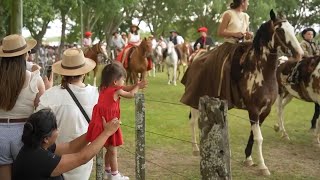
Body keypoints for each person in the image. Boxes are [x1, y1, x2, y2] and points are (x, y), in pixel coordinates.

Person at [36, 48, 97, 180]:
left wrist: (47, 90)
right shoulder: (96, 94)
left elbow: (38, 123)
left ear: (63, 73)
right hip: (84, 158)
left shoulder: (51, 95)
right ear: (84, 72)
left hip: (56, 158)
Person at [180, 0, 252, 109]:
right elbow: (220, 32)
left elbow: (246, 34)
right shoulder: (229, 14)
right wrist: (234, 34)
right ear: (242, 2)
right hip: (229, 46)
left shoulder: (246, 16)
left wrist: (248, 35)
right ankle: (220, 94)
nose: (248, 4)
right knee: (225, 67)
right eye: (247, 1)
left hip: (242, 47)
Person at [12, 109, 120, 180]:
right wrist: (107, 133)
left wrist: (93, 132)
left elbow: (70, 147)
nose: (58, 130)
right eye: (56, 128)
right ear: (46, 138)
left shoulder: (34, 146)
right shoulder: (40, 159)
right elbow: (82, 158)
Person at [86, 61, 147, 180]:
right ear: (115, 82)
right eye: (123, 79)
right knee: (113, 151)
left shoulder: (104, 88)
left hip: (101, 125)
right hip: (110, 125)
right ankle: (115, 175)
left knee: (109, 149)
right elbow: (130, 94)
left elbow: (125, 87)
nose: (124, 82)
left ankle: (107, 171)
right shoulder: (116, 91)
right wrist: (137, 87)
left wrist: (135, 84)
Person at [0, 34, 49, 180]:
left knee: (3, 171)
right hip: (23, 133)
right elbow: (41, 110)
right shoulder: (35, 78)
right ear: (24, 55)